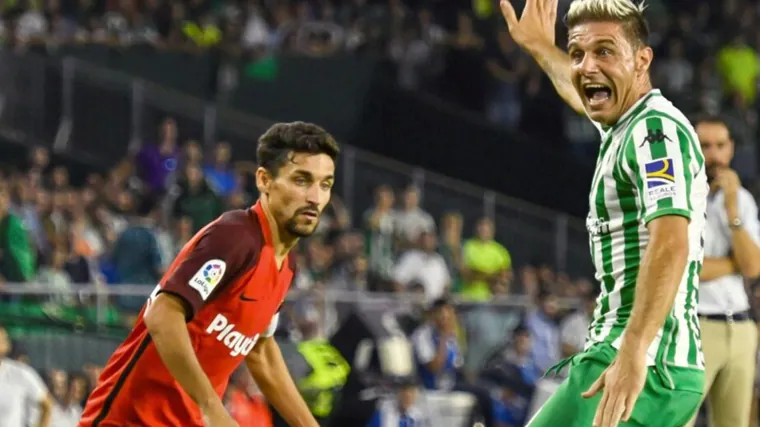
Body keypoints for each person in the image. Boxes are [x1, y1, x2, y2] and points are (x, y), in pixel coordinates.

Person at [499, 0, 708, 426]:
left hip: (643, 364)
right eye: (578, 54)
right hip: (621, 357)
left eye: (605, 51)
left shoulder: (655, 132)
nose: (586, 66)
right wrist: (540, 45)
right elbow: (577, 90)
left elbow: (671, 239)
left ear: (642, 60)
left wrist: (633, 353)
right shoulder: (625, 125)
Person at [78, 121, 340, 427]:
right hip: (131, 420)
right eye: (301, 180)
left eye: (325, 184)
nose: (315, 197)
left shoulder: (285, 265)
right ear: (264, 180)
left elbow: (259, 349)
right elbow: (163, 315)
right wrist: (213, 410)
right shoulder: (236, 238)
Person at [685, 116, 760, 427]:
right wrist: (733, 263)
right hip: (695, 327)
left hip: (741, 327)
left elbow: (754, 267)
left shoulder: (741, 199)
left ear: (731, 150)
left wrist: (731, 209)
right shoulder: (680, 195)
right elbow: (688, 267)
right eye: (704, 146)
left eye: (720, 145)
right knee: (677, 419)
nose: (713, 154)